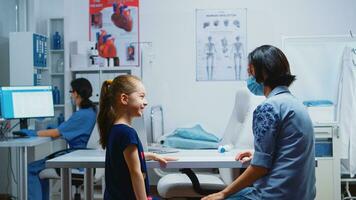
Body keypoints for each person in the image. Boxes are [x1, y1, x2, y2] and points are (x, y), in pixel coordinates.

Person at [202, 45, 316, 200]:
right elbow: (289, 150)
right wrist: (257, 154)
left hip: (274, 195)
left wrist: (224, 193)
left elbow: (259, 168)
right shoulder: (297, 105)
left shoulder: (268, 108)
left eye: (250, 71)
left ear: (264, 72)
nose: (249, 77)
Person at [97, 75, 176, 200]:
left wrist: (153, 156)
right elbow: (135, 173)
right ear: (124, 99)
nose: (146, 102)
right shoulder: (127, 133)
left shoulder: (116, 129)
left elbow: (126, 157)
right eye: (141, 96)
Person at [21, 78, 97, 200]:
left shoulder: (81, 114)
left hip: (76, 160)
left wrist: (32, 133)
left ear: (76, 93)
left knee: (31, 169)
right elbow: (66, 130)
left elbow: (55, 133)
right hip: (83, 157)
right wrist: (59, 129)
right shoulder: (92, 111)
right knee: (40, 170)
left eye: (71, 92)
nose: (71, 95)